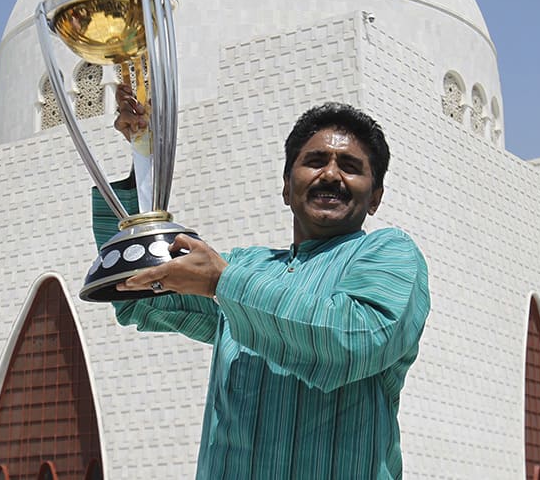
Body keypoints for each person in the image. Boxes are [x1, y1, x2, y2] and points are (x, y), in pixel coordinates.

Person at [93, 86, 430, 479]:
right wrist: (144, 157)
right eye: (316, 161)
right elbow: (137, 291)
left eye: (351, 167)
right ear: (287, 187)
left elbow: (355, 340)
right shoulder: (247, 266)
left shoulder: (390, 254)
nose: (331, 174)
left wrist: (224, 284)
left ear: (375, 198)